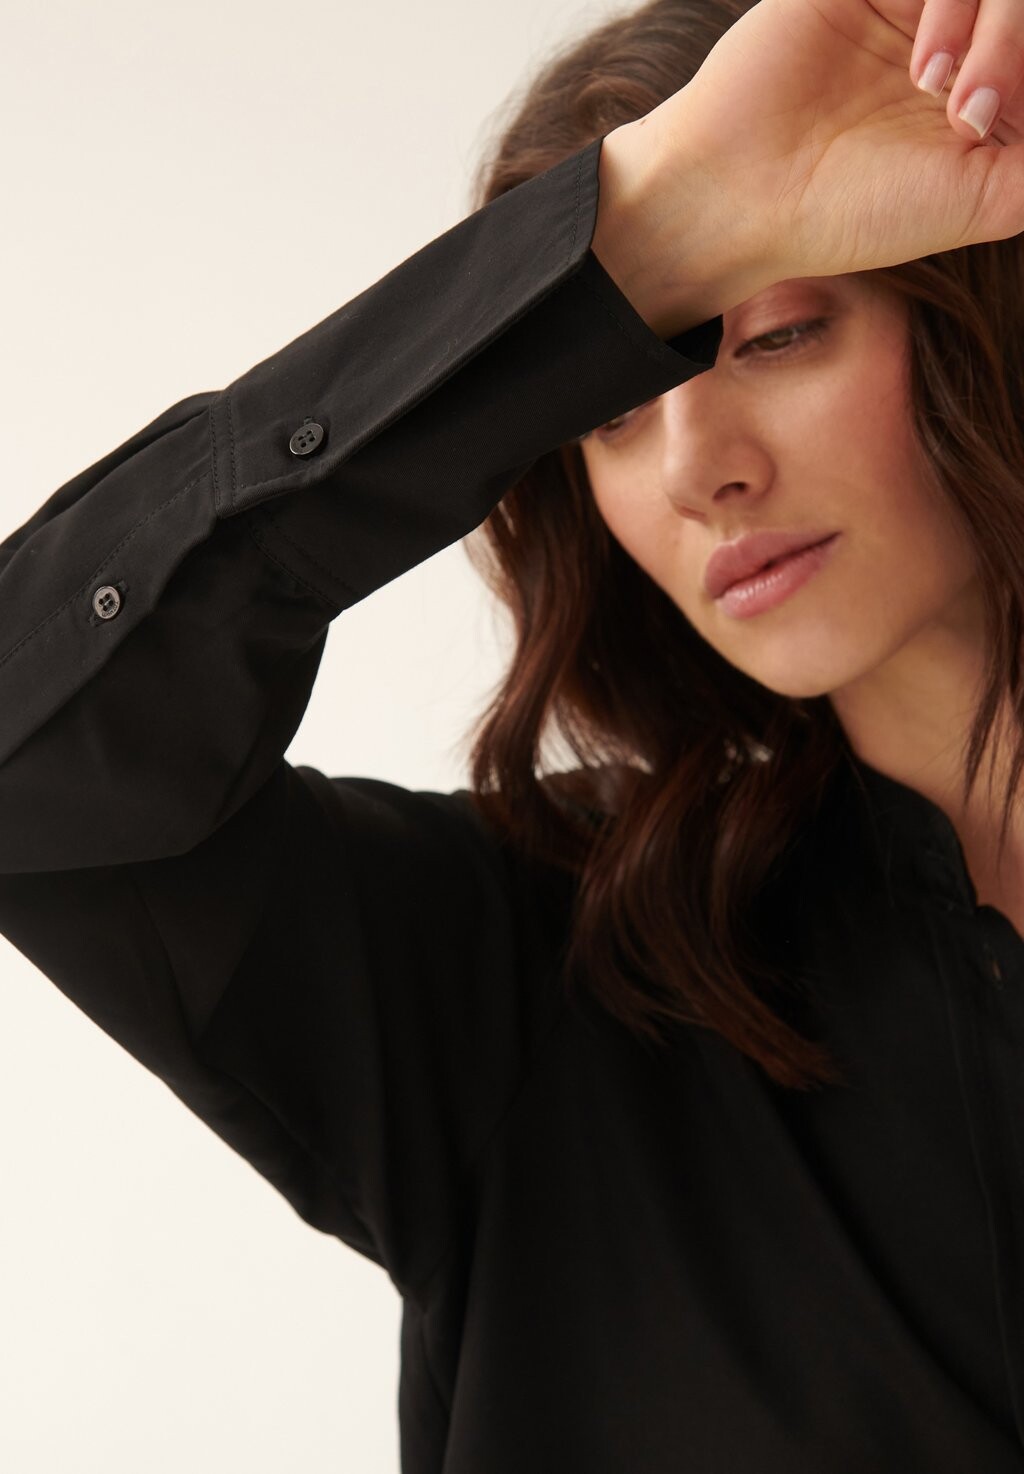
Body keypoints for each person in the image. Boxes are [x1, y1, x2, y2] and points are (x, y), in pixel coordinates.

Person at [2, 0, 1024, 1466]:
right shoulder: (538, 970)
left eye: (781, 333)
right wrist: (633, 237)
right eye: (611, 407)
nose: (697, 468)